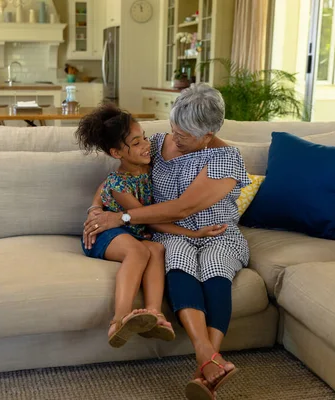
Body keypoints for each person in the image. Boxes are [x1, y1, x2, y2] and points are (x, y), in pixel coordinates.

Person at [83, 84, 250, 400]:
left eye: (184, 134)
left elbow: (184, 207)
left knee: (215, 267)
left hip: (217, 232)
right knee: (177, 260)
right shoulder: (156, 144)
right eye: (173, 128)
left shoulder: (226, 158)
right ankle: (208, 360)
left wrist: (124, 218)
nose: (174, 137)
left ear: (208, 135)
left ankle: (206, 363)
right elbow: (114, 180)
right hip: (170, 232)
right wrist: (96, 208)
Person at [76, 104, 225, 349]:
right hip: (107, 232)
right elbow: (149, 218)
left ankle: (154, 314)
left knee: (157, 250)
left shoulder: (148, 161)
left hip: (132, 231)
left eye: (144, 138)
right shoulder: (119, 184)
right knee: (139, 251)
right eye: (136, 143)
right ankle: (119, 319)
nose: (146, 145)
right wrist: (193, 233)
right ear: (116, 153)